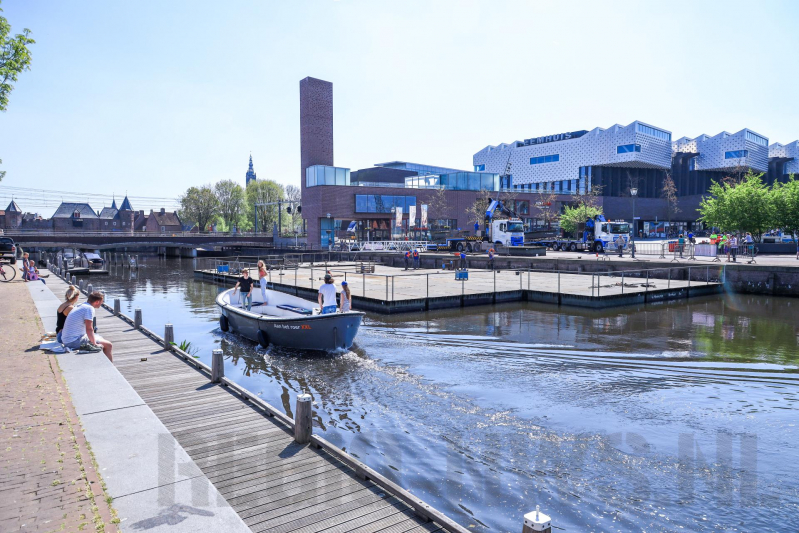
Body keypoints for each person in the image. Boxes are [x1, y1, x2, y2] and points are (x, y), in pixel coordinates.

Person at [61, 291, 113, 362]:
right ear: (97, 302)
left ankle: (103, 362)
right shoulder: (89, 309)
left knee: (99, 337)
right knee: (108, 345)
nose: (102, 303)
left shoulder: (81, 305)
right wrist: (94, 344)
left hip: (67, 339)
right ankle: (109, 367)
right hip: (73, 341)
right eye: (102, 301)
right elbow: (89, 329)